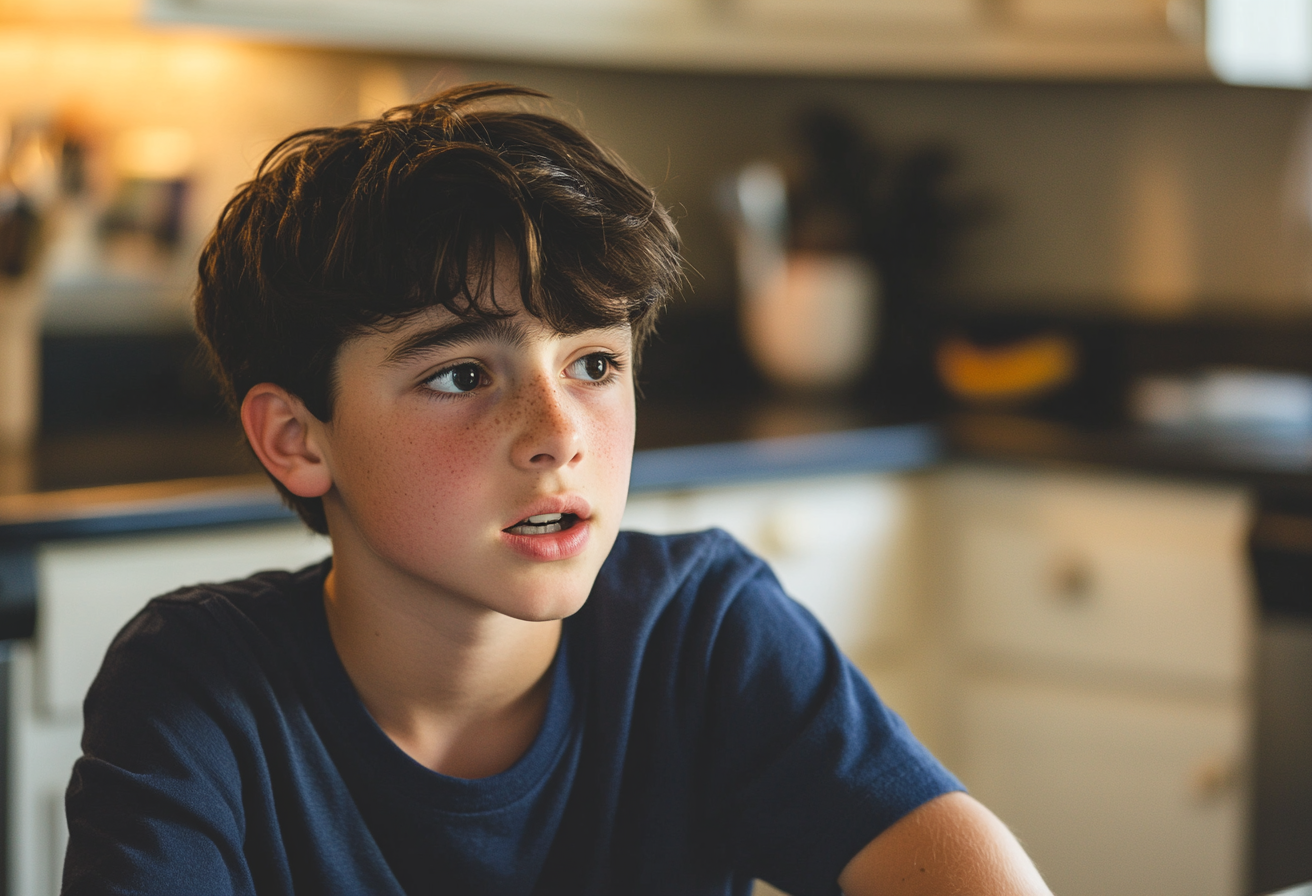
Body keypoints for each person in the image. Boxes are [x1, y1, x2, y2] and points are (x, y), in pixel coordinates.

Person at [61, 82, 1052, 896]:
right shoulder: (196, 688)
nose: (559, 435)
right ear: (296, 437)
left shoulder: (701, 630)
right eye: (460, 374)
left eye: (593, 363)